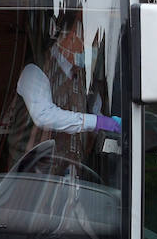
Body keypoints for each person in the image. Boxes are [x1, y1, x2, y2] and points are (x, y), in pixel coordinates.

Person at [9, 12, 120, 167]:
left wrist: (108, 122)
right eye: (87, 37)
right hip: (31, 177)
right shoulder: (35, 70)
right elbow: (44, 115)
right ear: (71, 36)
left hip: (68, 175)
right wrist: (96, 122)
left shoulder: (80, 75)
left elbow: (91, 110)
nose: (92, 44)